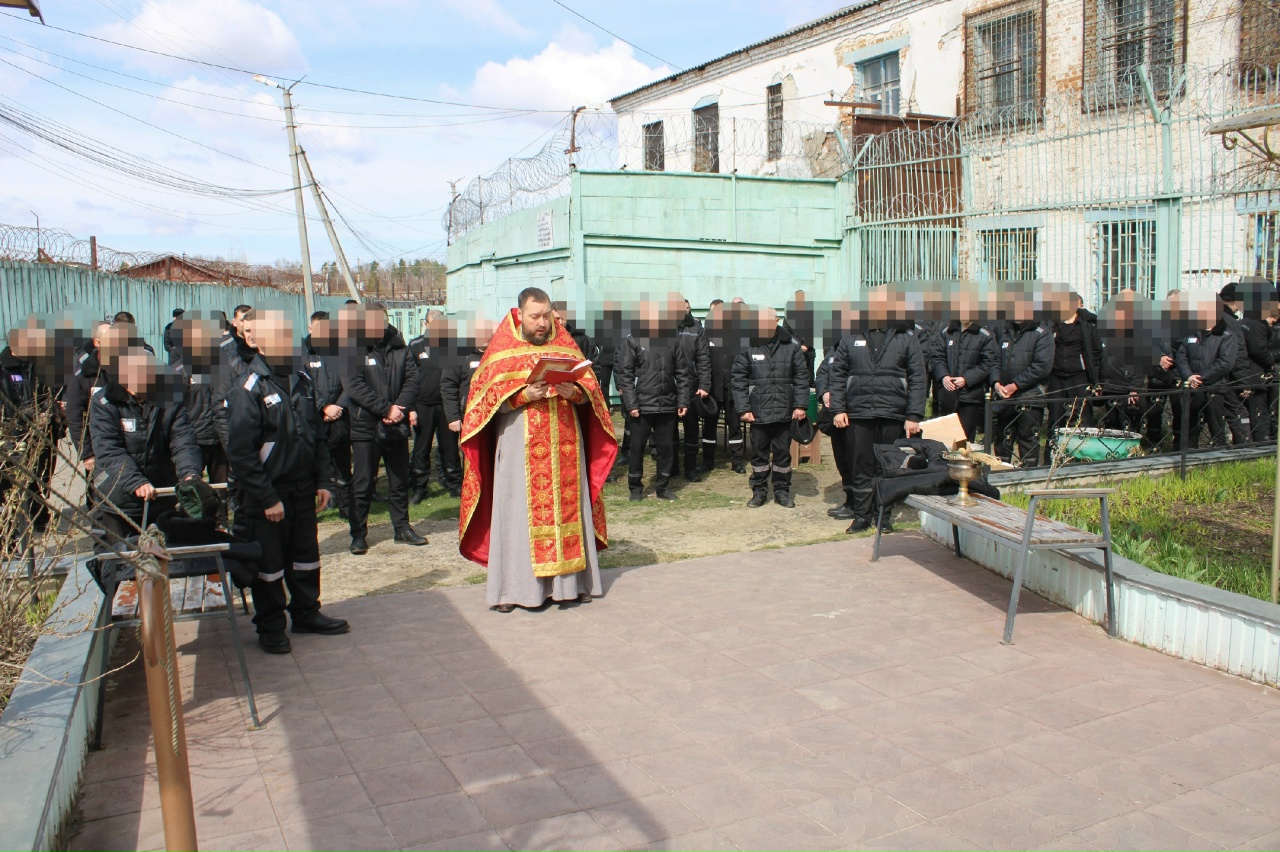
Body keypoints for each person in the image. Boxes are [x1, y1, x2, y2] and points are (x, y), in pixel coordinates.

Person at [458, 287, 617, 613]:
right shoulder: (501, 350)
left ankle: (571, 586)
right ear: (520, 315)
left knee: (569, 513)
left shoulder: (565, 344)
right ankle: (512, 590)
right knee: (517, 515)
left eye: (546, 316)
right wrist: (522, 396)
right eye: (535, 317)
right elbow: (481, 404)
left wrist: (574, 392)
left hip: (565, 445)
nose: (543, 323)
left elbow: (591, 393)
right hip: (519, 447)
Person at [225, 309, 348, 653]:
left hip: (302, 489)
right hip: (269, 496)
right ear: (259, 343)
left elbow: (316, 436)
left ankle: (306, 613)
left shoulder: (302, 379)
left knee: (305, 556)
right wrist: (267, 498)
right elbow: (241, 454)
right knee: (269, 566)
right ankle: (271, 625)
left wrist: (323, 480)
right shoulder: (248, 388)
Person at [826, 293, 928, 532]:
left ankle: (884, 515)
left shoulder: (906, 337)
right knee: (860, 465)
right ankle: (862, 516)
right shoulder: (851, 336)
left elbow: (918, 378)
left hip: (892, 413)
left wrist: (913, 415)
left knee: (887, 467)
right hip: (858, 413)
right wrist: (838, 409)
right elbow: (838, 374)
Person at [90, 349, 202, 542]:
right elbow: (109, 450)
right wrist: (135, 481)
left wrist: (189, 474)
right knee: (122, 555)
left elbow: (183, 440)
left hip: (160, 494)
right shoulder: (104, 402)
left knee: (164, 552)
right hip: (118, 498)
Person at [343, 303, 426, 554]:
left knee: (399, 480)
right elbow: (354, 386)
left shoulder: (399, 346)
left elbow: (413, 379)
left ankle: (402, 528)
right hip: (366, 426)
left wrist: (399, 407)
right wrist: (385, 409)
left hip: (396, 424)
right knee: (363, 482)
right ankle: (358, 534)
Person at [731, 307, 809, 508]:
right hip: (757, 412)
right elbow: (738, 380)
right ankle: (759, 491)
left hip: (785, 411)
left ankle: (782, 491)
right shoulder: (746, 346)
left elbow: (802, 378)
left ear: (776, 321)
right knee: (759, 455)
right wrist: (743, 408)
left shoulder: (792, 346)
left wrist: (800, 405)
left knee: (783, 453)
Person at [615, 297, 690, 501]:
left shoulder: (673, 341)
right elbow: (625, 375)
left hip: (667, 404)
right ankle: (635, 488)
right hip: (641, 406)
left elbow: (682, 372)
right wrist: (631, 404)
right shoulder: (633, 340)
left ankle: (663, 487)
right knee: (637, 448)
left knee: (666, 448)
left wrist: (683, 401)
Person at [991, 302, 1054, 467]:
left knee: (1028, 440)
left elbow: (1042, 366)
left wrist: (1016, 385)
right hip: (1005, 396)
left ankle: (1028, 475)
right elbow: (995, 359)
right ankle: (1001, 473)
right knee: (1003, 439)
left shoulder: (1042, 333)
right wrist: (996, 383)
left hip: (1030, 396)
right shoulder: (1005, 330)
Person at [930, 297, 998, 443]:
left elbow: (988, 363)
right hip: (948, 394)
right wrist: (943, 376)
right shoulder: (946, 332)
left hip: (970, 396)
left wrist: (966, 379)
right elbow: (937, 357)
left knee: (964, 441)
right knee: (945, 440)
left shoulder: (985, 335)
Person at [1175, 295, 1239, 448]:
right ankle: (1188, 455)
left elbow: (1225, 363)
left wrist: (1201, 378)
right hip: (1192, 387)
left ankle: (1219, 455)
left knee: (1216, 426)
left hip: (1214, 388)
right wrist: (1189, 376)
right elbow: (1181, 355)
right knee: (1190, 426)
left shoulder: (1227, 335)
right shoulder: (1192, 332)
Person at [305, 311, 352, 517]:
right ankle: (325, 497)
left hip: (340, 416)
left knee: (343, 465)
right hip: (316, 417)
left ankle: (346, 506)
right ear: (310, 329)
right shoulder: (303, 353)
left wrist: (338, 407)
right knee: (320, 461)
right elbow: (305, 385)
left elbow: (351, 381)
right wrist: (324, 407)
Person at [409, 315, 460, 502]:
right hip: (423, 405)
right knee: (421, 448)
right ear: (426, 324)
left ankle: (455, 484)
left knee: (450, 447)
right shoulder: (416, 345)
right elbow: (408, 377)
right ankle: (420, 488)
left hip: (446, 405)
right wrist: (411, 408)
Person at [1047, 292, 1102, 438]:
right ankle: (1052, 449)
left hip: (1079, 377)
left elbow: (1097, 352)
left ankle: (1085, 449)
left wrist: (1096, 379)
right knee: (1055, 418)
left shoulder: (1086, 326)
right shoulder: (1053, 325)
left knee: (1083, 417)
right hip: (1057, 377)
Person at [701, 299, 746, 474]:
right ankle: (708, 461)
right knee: (709, 427)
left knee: (734, 426)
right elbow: (702, 360)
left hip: (732, 388)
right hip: (712, 388)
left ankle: (737, 462)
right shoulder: (707, 334)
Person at [675, 299, 712, 482]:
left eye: (686, 307)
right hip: (669, 385)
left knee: (691, 429)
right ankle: (671, 466)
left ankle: (690, 468)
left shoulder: (696, 329)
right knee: (668, 429)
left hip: (690, 384)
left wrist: (704, 385)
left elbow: (703, 358)